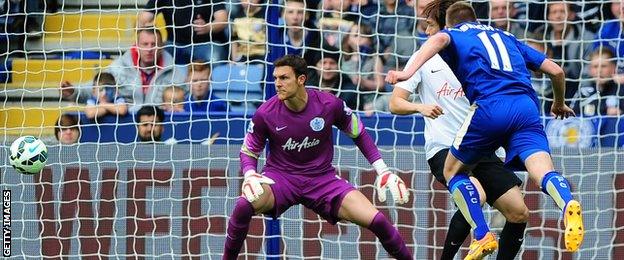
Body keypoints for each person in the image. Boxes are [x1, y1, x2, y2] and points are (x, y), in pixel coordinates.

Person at [385, 2, 583, 258]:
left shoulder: (456, 41)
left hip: (483, 135)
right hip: (449, 143)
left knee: (519, 212)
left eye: (430, 26)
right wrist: (420, 107)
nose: (426, 33)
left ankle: (484, 237)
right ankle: (563, 202)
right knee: (478, 192)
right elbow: (394, 103)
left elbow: (440, 41)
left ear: (446, 26)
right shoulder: (500, 39)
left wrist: (404, 72)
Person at [223, 55, 411, 259]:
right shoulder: (265, 113)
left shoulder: (329, 104)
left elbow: (358, 133)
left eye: (284, 78)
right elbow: (249, 151)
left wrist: (382, 170)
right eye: (275, 78)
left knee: (379, 221)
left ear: (301, 79)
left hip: (322, 179)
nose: (277, 84)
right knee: (243, 204)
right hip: (281, 179)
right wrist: (250, 174)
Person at [61, 28, 186, 111]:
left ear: (162, 47)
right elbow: (95, 89)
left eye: (154, 44)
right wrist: (74, 91)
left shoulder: (177, 75)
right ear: (136, 46)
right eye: (145, 44)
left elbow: (189, 102)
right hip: (123, 125)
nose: (149, 49)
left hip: (160, 127)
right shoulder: (118, 68)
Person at [138, 0, 228, 64]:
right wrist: (145, 26)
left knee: (215, 57)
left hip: (206, 44)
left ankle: (213, 90)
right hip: (174, 44)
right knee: (156, 54)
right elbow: (143, 19)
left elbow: (222, 19)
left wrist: (207, 27)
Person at [571, 47, 624, 117]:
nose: (599, 71)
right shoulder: (583, 92)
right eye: (595, 66)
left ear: (614, 67)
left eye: (603, 66)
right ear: (590, 70)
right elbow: (571, 119)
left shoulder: (621, 90)